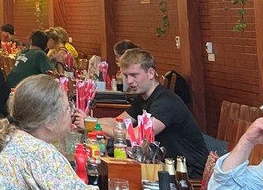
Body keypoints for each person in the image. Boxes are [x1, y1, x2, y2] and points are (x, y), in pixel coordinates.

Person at [77, 48, 208, 177]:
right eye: (126, 75)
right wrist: (89, 120)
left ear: (151, 73)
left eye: (134, 75)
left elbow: (137, 136)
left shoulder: (166, 102)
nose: (129, 81)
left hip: (187, 174)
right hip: (160, 167)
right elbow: (118, 122)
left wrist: (93, 126)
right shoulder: (143, 97)